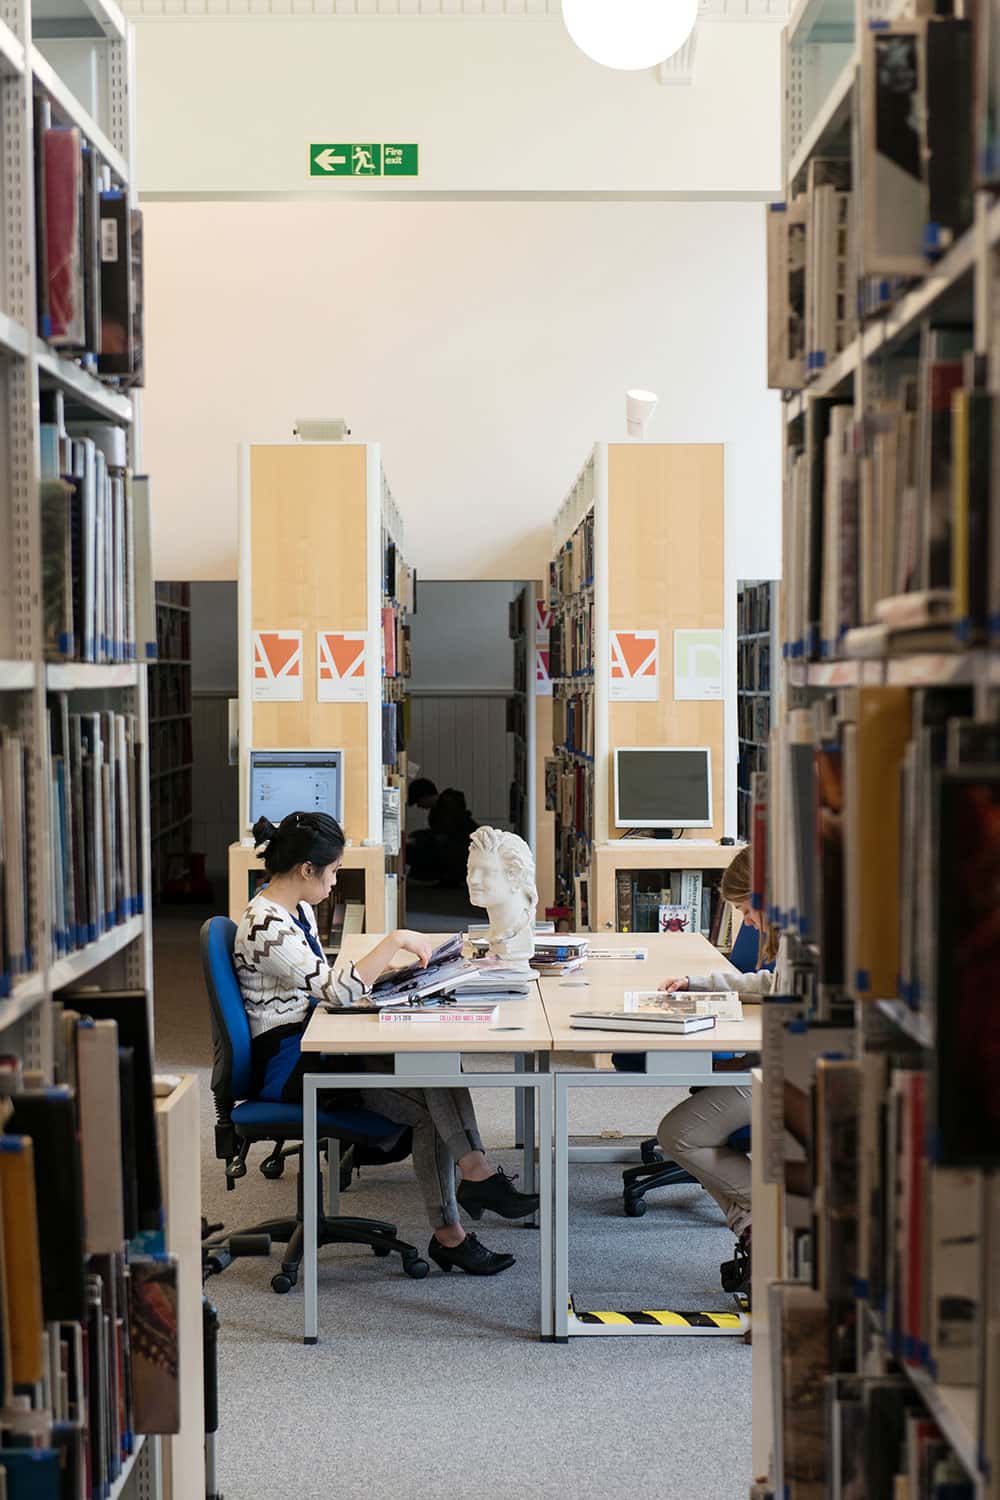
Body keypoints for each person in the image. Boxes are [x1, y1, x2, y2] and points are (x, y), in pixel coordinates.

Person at [233, 809, 539, 1276]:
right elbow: (335, 991)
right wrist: (395, 940)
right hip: (290, 1063)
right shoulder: (265, 925)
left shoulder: (294, 910)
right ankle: (462, 1208)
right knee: (428, 1103)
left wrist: (398, 979)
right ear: (305, 870)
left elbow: (324, 987)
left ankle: (471, 1186)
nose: (335, 882)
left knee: (434, 1065)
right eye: (333, 871)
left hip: (316, 1038)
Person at [654, 846, 783, 1296]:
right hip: (774, 1058)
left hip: (796, 1072)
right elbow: (773, 986)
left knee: (680, 1134)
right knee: (684, 1133)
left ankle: (775, 1220)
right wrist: (703, 984)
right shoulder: (799, 933)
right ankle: (755, 1229)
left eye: (748, 911)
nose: (747, 922)